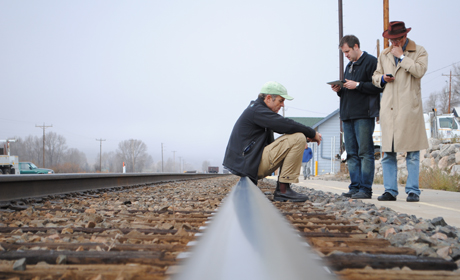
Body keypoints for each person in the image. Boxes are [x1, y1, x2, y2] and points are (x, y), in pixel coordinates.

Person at [223, 81, 322, 202]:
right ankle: (283, 190)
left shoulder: (257, 109)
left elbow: (278, 137)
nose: (283, 105)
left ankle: (283, 189)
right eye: (281, 101)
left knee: (299, 137)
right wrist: (312, 133)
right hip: (249, 164)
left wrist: (306, 138)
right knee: (298, 138)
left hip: (248, 163)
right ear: (269, 98)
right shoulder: (258, 111)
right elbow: (285, 125)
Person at [372, 21, 428, 202]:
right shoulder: (384, 54)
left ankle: (413, 191)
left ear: (404, 37)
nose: (393, 44)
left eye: (396, 40)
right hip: (389, 108)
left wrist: (403, 57)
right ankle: (390, 190)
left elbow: (419, 71)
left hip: (409, 109)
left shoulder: (419, 51)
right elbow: (375, 76)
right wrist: (382, 78)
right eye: (390, 40)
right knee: (388, 152)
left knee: (412, 152)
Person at [331, 35, 382, 199]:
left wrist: (358, 85)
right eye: (343, 52)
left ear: (356, 46)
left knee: (365, 152)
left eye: (347, 51)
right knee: (351, 153)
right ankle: (354, 187)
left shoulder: (371, 62)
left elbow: (377, 86)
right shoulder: (349, 66)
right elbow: (349, 91)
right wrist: (340, 90)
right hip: (347, 115)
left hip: (363, 115)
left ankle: (365, 189)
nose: (345, 55)